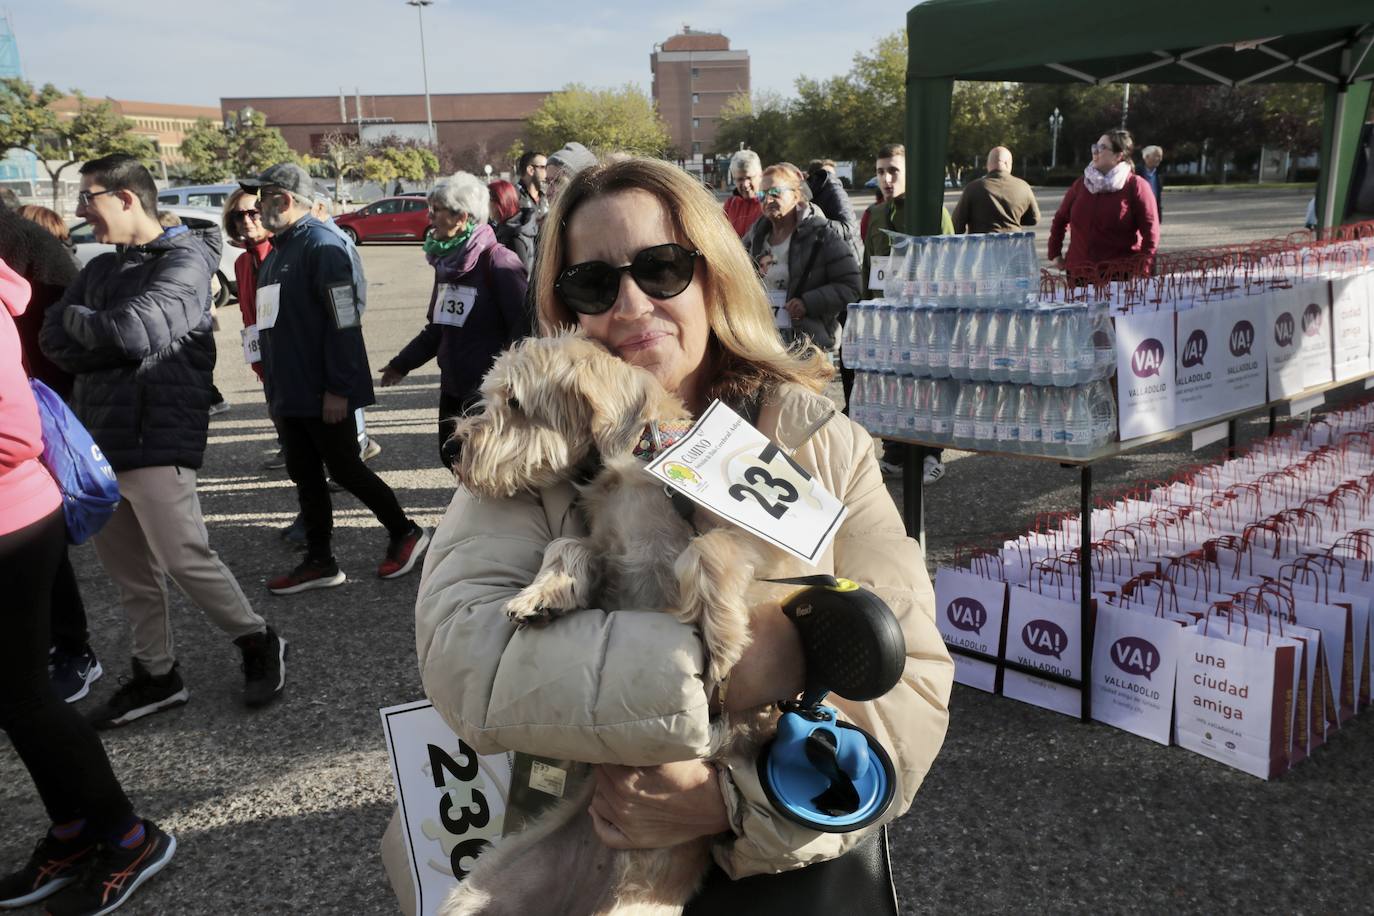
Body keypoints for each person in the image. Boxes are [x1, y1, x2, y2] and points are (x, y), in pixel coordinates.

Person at [388, 156, 952, 915]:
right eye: (592, 283)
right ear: (567, 307)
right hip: (585, 821)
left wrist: (731, 802)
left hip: (785, 860)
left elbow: (909, 677)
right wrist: (759, 662)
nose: (628, 305)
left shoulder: (820, 441)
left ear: (714, 273)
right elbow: (468, 667)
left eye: (662, 268)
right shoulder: (533, 451)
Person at [40, 154, 287, 725]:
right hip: (99, 442)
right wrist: (94, 323)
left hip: (157, 434)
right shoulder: (100, 269)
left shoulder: (185, 262)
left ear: (127, 197)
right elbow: (56, 338)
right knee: (130, 574)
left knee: (184, 557)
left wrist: (89, 322)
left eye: (88, 197)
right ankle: (157, 674)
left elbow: (132, 331)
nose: (80, 210)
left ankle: (257, 640)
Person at [0, 257, 177, 916]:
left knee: (27, 697)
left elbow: (11, 431)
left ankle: (130, 838)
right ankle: (74, 832)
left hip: (12, 523)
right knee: (14, 696)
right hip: (17, 517)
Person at [239, 162, 429, 594]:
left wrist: (339, 388)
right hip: (290, 390)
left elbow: (344, 321)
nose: (255, 208)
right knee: (305, 476)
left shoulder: (322, 246)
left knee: (345, 469)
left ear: (284, 200)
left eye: (262, 198)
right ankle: (320, 560)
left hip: (322, 390)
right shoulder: (280, 249)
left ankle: (406, 532)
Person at [0, 205, 100, 704]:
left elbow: (71, 327)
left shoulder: (24, 243)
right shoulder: (22, 240)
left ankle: (74, 650)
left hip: (46, 408)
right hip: (40, 398)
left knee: (48, 547)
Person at [380, 172, 530, 467]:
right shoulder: (446, 265)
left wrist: (513, 390)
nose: (430, 217)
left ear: (461, 217)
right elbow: (439, 327)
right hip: (453, 388)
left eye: (436, 210)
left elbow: (525, 331)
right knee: (454, 459)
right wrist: (402, 364)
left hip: (489, 394)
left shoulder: (499, 262)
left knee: (486, 468)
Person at [860, 143, 953, 483]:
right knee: (891, 388)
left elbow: (949, 263)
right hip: (885, 318)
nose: (885, 178)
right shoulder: (876, 215)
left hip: (924, 319)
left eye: (893, 171)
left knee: (925, 387)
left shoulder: (933, 211)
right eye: (881, 171)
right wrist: (865, 311)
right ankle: (895, 453)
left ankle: (931, 454)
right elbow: (869, 266)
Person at [741, 162, 860, 353]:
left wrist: (808, 303)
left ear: (796, 195)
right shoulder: (756, 236)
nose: (768, 199)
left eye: (775, 192)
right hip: (766, 344)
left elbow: (851, 286)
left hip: (807, 346)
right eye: (762, 194)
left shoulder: (820, 234)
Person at [1048, 128, 1160, 278]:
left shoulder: (1136, 186)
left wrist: (1143, 267)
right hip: (1079, 273)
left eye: (1102, 148)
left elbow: (1151, 232)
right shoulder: (1081, 184)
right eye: (1095, 147)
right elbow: (1060, 219)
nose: (1095, 152)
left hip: (1120, 276)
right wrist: (1055, 253)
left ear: (1118, 155)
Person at [950, 146, 1040, 234]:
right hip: (1013, 246)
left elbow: (957, 225)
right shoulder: (1024, 187)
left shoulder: (973, 188)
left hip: (981, 246)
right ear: (1007, 163)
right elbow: (1034, 219)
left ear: (988, 165)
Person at [805, 158, 860, 248]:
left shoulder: (834, 190)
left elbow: (848, 228)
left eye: (831, 174)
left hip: (847, 254)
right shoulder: (810, 192)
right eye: (827, 173)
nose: (831, 177)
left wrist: (815, 223)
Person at [489, 178, 537, 273]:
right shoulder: (505, 228)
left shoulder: (514, 236)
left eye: (488, 200)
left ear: (500, 202)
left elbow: (521, 277)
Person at [723, 149, 763, 237]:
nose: (745, 184)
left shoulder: (768, 204)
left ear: (760, 175)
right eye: (740, 179)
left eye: (749, 178)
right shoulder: (730, 205)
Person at [1140, 145, 1164, 221]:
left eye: (1160, 156)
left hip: (1154, 212)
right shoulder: (1136, 172)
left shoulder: (1159, 174)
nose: (1160, 159)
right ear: (1146, 157)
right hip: (1139, 210)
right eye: (1157, 156)